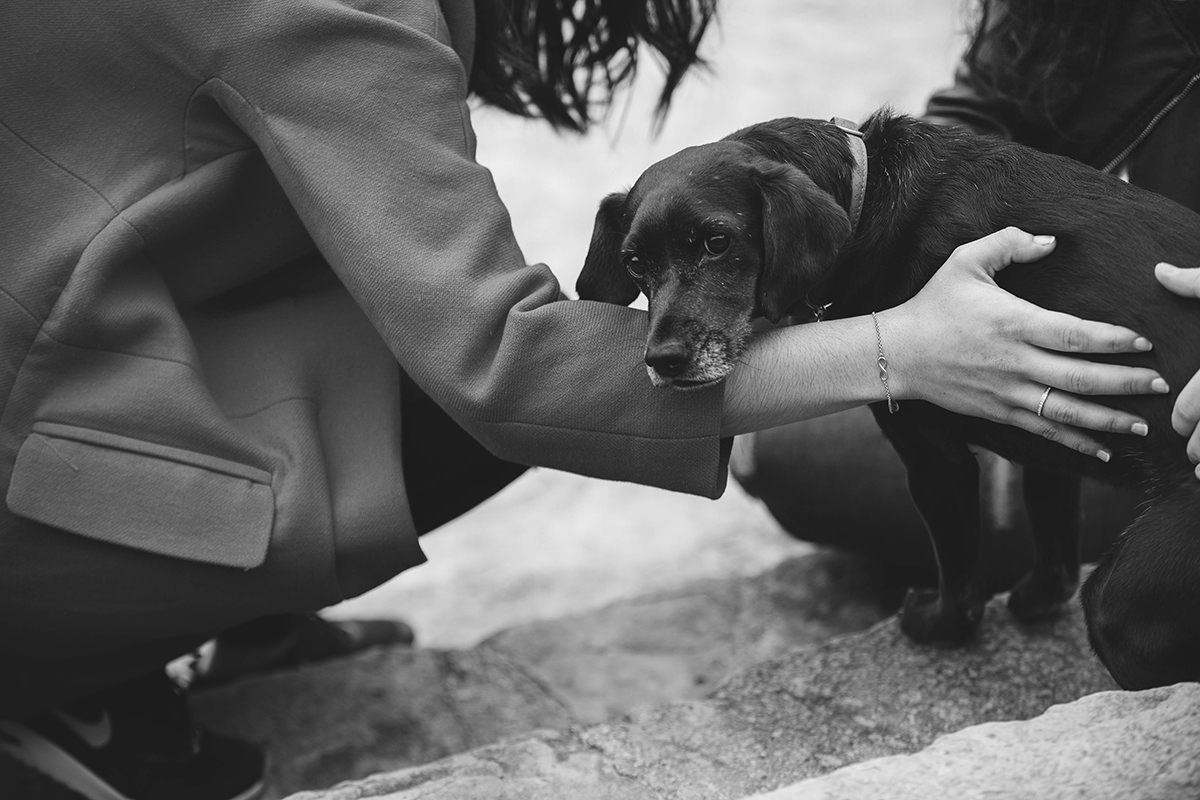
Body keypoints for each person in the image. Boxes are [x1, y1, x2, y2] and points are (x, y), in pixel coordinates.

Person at [0, 1, 1166, 799]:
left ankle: (238, 618)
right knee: (565, 381)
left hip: (64, 338)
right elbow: (506, 364)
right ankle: (87, 667)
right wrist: (899, 350)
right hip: (26, 491)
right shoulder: (337, 15)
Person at [734, 0, 1200, 587]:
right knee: (772, 443)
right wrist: (810, 226)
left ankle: (1022, 534)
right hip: (1060, 343)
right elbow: (965, 131)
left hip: (1161, 425)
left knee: (791, 442)